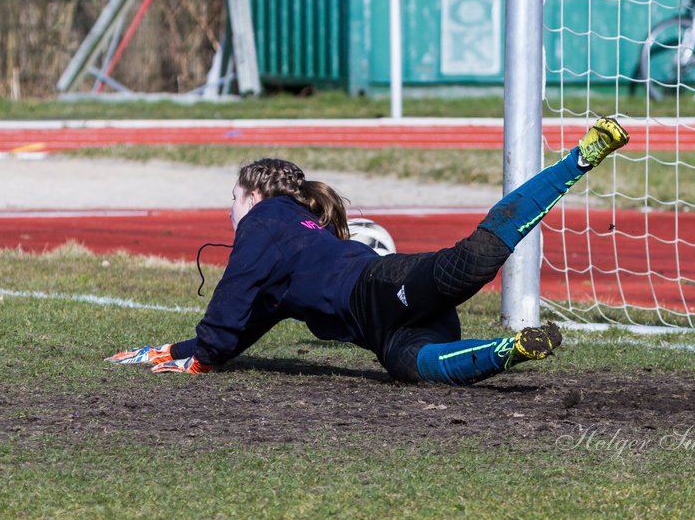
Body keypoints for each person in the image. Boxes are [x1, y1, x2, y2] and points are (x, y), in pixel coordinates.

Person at [109, 116, 629, 386]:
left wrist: (201, 358)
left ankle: (580, 158)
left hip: (381, 287)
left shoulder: (266, 219)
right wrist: (171, 352)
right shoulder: (287, 238)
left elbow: (231, 296)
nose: (230, 211)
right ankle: (511, 349)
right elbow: (243, 323)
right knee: (413, 368)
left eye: (232, 199)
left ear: (255, 196)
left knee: (470, 261)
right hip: (385, 328)